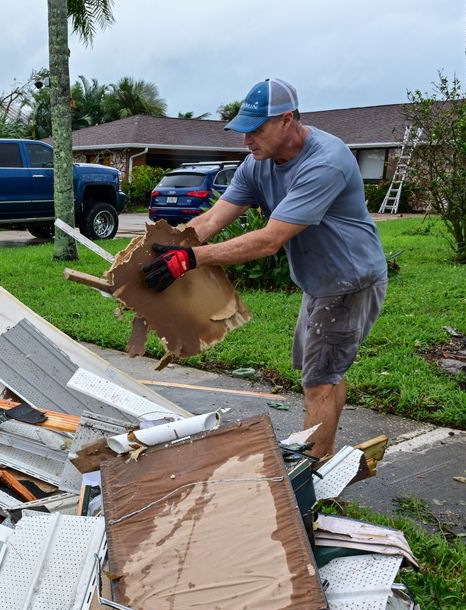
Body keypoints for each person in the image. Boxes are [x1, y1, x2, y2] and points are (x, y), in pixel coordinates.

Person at [142, 78, 388, 460]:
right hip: (321, 282)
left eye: (255, 130)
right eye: (243, 131)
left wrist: (192, 260)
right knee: (326, 372)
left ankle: (316, 473)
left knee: (318, 381)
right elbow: (211, 221)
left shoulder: (325, 161)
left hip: (349, 281)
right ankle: (325, 454)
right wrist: (172, 249)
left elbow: (270, 239)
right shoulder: (259, 165)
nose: (246, 140)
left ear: (287, 120)